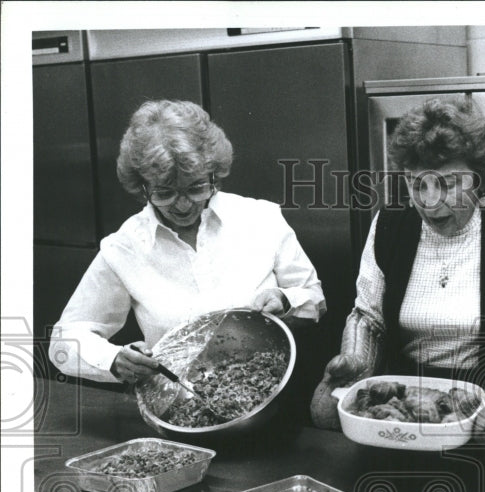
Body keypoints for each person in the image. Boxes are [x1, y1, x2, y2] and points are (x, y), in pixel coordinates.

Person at [310, 96, 485, 438]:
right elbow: (369, 318)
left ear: (480, 178)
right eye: (415, 182)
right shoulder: (391, 225)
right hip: (406, 416)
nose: (430, 201)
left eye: (448, 183)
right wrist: (355, 361)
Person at [49, 99, 326, 385]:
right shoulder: (124, 247)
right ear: (141, 186)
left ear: (214, 176)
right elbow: (63, 341)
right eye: (165, 192)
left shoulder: (260, 218)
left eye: (196, 188)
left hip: (271, 392)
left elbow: (314, 298)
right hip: (180, 402)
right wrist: (114, 360)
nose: (182, 205)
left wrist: (286, 300)